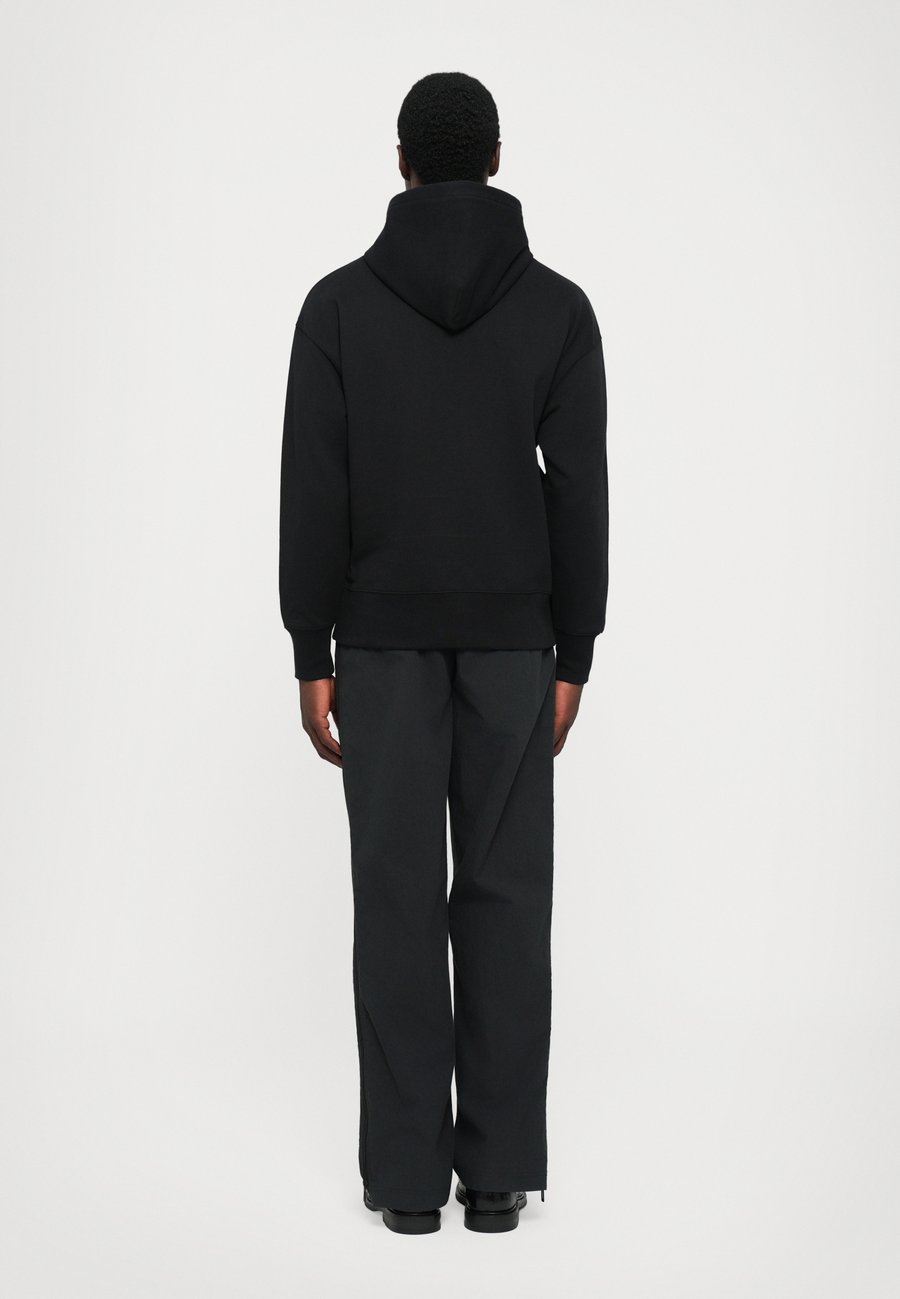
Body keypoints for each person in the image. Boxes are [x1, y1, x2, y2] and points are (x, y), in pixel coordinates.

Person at [278, 71, 608, 1235]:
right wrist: (575, 650)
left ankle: (408, 1187)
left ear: (402, 162)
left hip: (378, 647)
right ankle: (499, 1179)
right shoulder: (559, 312)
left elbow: (315, 489)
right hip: (517, 648)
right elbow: (579, 492)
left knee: (397, 905)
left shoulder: (337, 310)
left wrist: (309, 647)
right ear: (497, 158)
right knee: (508, 903)